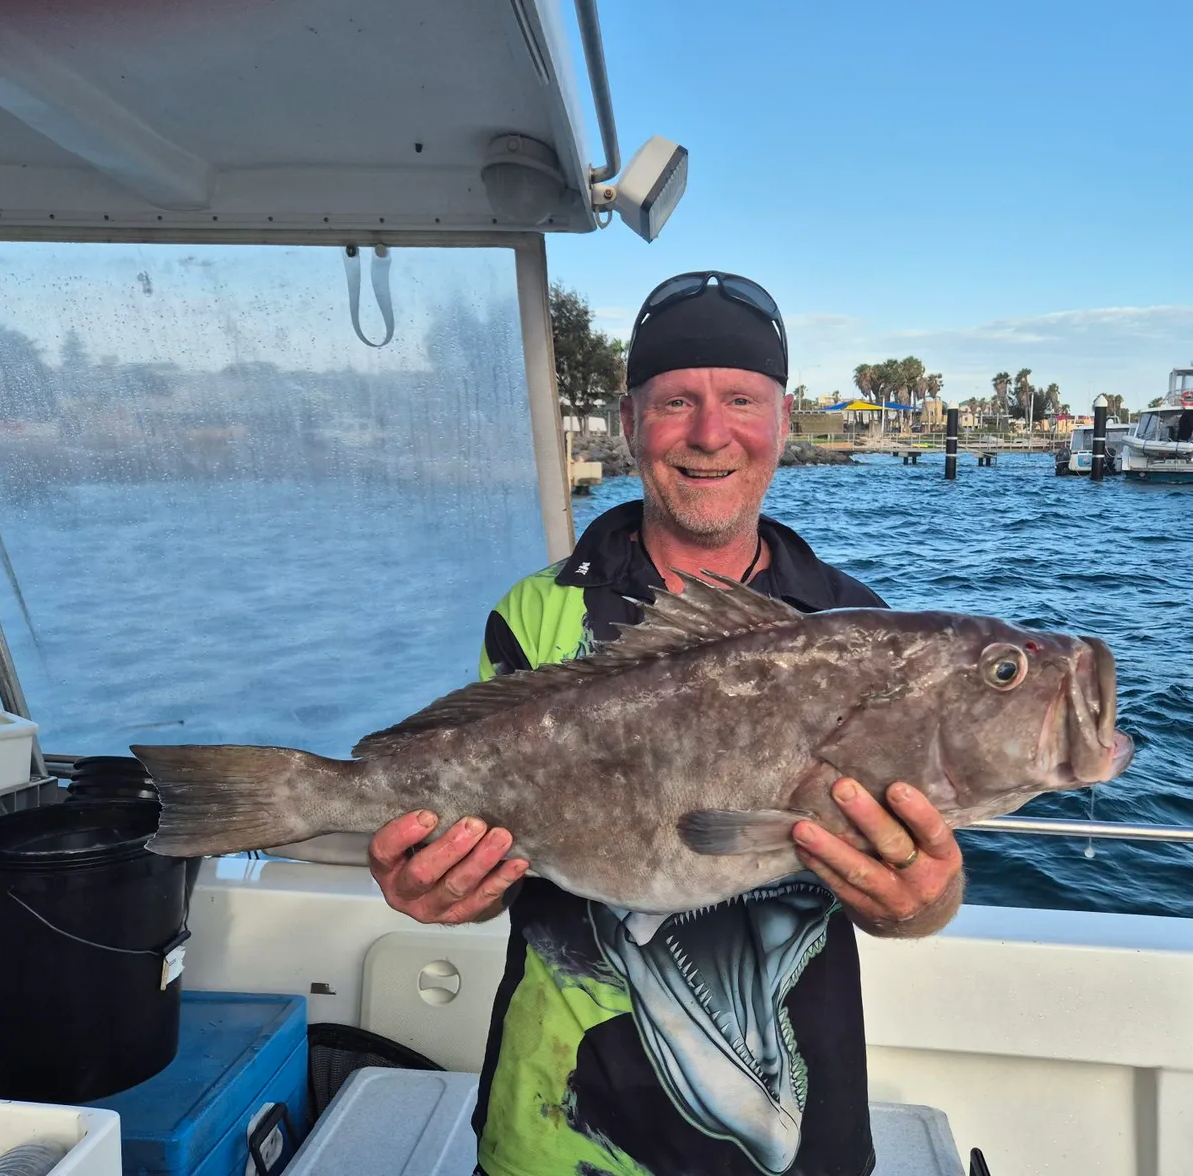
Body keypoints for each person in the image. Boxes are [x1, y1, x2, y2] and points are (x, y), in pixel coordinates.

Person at [367, 271, 965, 1176]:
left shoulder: (857, 628)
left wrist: (927, 903)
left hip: (802, 1142)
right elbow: (494, 850)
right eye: (677, 400)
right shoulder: (534, 615)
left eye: (741, 400)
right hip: (554, 1132)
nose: (710, 433)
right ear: (629, 419)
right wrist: (446, 885)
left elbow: (910, 885)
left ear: (783, 421)